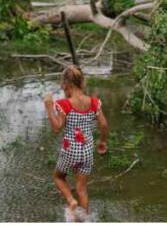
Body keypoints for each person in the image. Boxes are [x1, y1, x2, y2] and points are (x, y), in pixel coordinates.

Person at [43, 66, 109, 220]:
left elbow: (57, 128)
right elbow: (104, 125)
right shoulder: (94, 102)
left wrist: (49, 107)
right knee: (82, 188)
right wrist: (103, 142)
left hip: (70, 150)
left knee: (59, 177)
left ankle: (71, 201)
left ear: (67, 84)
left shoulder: (64, 104)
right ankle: (84, 220)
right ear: (82, 82)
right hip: (87, 151)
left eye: (62, 85)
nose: (62, 88)